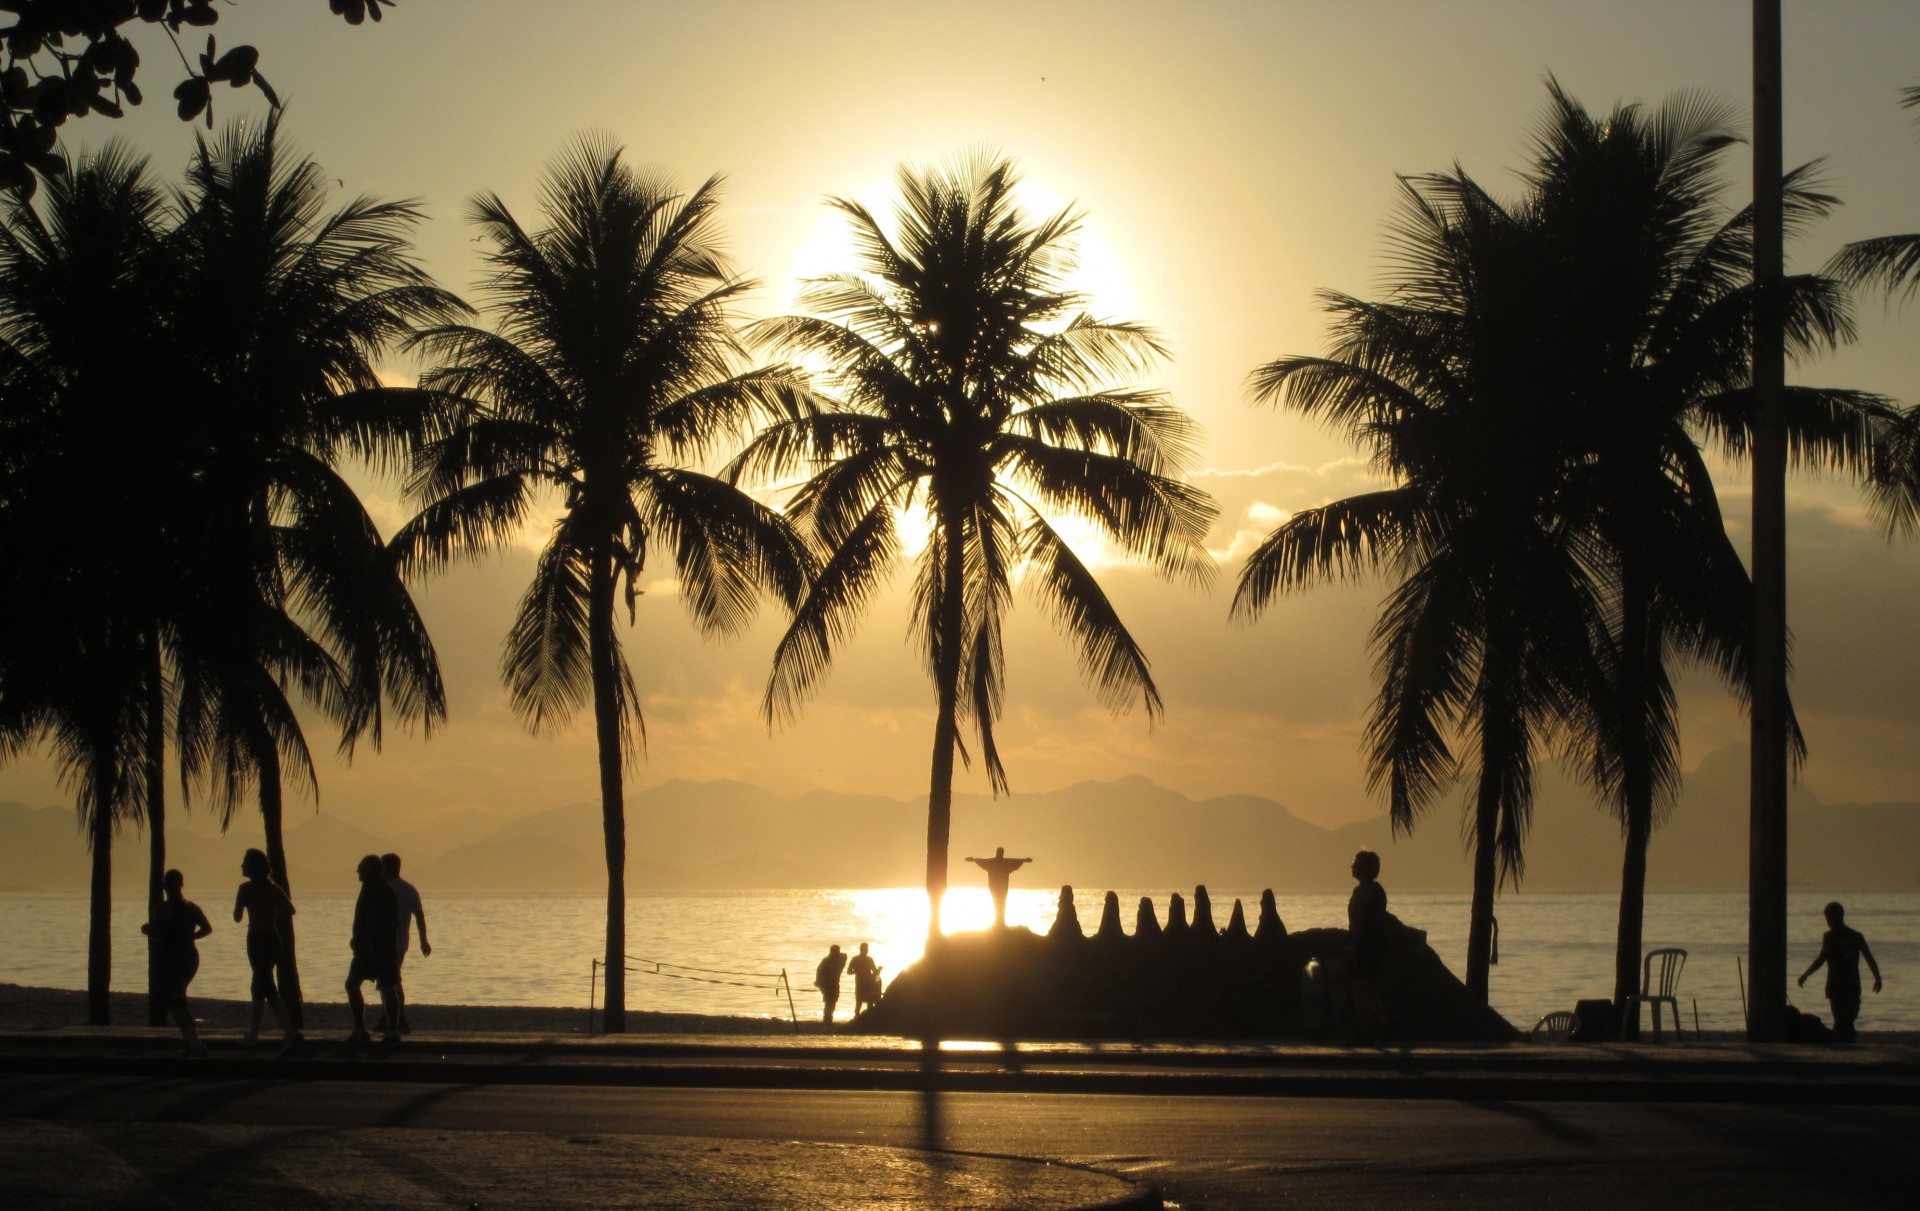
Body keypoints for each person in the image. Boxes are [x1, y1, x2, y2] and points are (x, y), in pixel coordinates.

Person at [232, 848, 300, 1047]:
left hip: (257, 939)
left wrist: (247, 907)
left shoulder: (245, 889)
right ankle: (262, 1033)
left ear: (253, 867)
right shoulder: (273, 888)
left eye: (245, 862)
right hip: (272, 939)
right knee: (263, 985)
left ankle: (281, 1031)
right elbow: (289, 909)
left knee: (261, 985)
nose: (242, 865)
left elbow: (237, 917)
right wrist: (272, 912)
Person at [143, 869, 213, 1056]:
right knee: (176, 1000)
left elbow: (159, 938)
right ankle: (191, 1043)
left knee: (176, 1002)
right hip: (187, 957)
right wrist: (190, 936)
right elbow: (207, 929)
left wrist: (150, 932)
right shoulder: (191, 908)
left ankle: (195, 1045)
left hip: (176, 958)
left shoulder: (162, 909)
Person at [1799, 901, 1883, 1042]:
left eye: (1828, 918)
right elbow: (1869, 958)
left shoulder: (1835, 937)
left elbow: (1821, 959)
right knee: (1844, 1018)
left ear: (1835, 917)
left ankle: (1844, 1043)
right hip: (1847, 984)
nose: (1828, 922)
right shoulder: (1854, 936)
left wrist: (1805, 975)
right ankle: (1846, 1042)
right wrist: (1878, 978)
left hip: (1840, 985)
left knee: (1844, 1019)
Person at [346, 854, 402, 1046]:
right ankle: (392, 1031)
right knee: (387, 987)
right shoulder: (382, 888)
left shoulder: (374, 889)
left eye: (360, 868)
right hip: (382, 947)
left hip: (373, 948)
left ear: (369, 870)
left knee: (354, 985)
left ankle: (362, 1029)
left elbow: (373, 919)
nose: (357, 871)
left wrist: (367, 943)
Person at [375, 853, 430, 1035]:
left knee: (390, 981)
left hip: (386, 943)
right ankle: (391, 1018)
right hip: (400, 943)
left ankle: (400, 1019)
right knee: (391, 980)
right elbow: (419, 916)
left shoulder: (383, 888)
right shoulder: (409, 889)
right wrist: (423, 941)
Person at [1345, 848, 1393, 1042]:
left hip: (1365, 945)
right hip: (1377, 943)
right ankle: (1377, 1026)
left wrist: (1352, 946)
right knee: (1366, 987)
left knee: (1360, 989)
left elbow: (1358, 922)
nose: (1352, 866)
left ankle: (1377, 1026)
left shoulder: (1362, 891)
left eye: (1356, 863)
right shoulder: (1378, 890)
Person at [964, 847, 1032, 928]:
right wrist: (974, 860)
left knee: (1001, 903)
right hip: (997, 887)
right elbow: (982, 861)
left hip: (1000, 887)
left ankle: (1000, 921)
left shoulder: (1000, 863)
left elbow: (1016, 861)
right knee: (998, 902)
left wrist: (1024, 860)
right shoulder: (997, 863)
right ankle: (998, 920)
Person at [814, 943, 848, 1025]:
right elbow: (819, 971)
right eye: (836, 952)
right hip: (827, 983)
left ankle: (829, 1017)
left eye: (838, 952)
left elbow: (845, 955)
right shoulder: (826, 961)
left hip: (835, 982)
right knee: (829, 1001)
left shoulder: (840, 959)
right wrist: (819, 981)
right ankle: (827, 1018)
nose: (837, 954)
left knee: (834, 1000)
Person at [848, 942, 883, 1017]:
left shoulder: (856, 959)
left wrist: (856, 971)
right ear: (862, 949)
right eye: (866, 949)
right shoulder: (866, 959)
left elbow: (849, 972)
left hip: (863, 982)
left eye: (867, 949)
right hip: (864, 982)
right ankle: (863, 1016)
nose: (866, 950)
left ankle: (859, 1016)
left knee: (861, 1000)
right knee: (865, 1001)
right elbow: (849, 972)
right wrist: (879, 970)